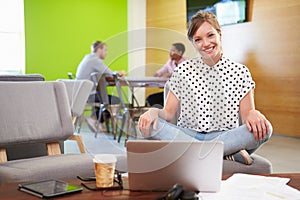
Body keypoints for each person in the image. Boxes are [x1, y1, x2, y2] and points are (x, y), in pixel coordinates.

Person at [138, 11, 272, 165]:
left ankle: (195, 153)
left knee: (265, 129)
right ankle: (226, 153)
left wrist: (254, 113)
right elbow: (167, 113)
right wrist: (153, 111)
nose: (206, 43)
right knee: (151, 126)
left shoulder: (240, 72)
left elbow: (247, 114)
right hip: (187, 134)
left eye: (210, 35)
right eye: (198, 39)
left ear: (219, 35)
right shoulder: (183, 70)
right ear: (193, 43)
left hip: (224, 136)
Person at [76, 40, 126, 132]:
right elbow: (110, 73)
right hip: (89, 95)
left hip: (82, 94)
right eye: (105, 50)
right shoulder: (95, 60)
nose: (106, 53)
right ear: (99, 49)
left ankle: (96, 120)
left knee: (103, 95)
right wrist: (120, 73)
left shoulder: (88, 58)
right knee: (114, 100)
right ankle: (94, 119)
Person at [146, 43, 186, 107]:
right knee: (150, 99)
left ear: (180, 52)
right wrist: (157, 74)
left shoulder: (186, 62)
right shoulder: (170, 62)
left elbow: (182, 74)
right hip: (171, 91)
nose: (170, 53)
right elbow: (163, 70)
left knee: (160, 102)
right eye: (170, 50)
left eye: (173, 50)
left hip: (181, 93)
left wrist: (170, 74)